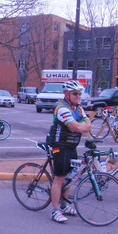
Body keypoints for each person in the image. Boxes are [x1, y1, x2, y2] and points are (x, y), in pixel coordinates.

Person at [47, 80, 92, 223]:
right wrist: (81, 126)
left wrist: (81, 126)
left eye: (80, 93)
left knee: (69, 178)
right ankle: (55, 211)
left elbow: (88, 125)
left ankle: (64, 206)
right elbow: (77, 128)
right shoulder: (62, 109)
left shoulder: (78, 109)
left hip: (72, 146)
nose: (78, 96)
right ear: (67, 94)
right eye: (75, 93)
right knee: (59, 178)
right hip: (59, 146)